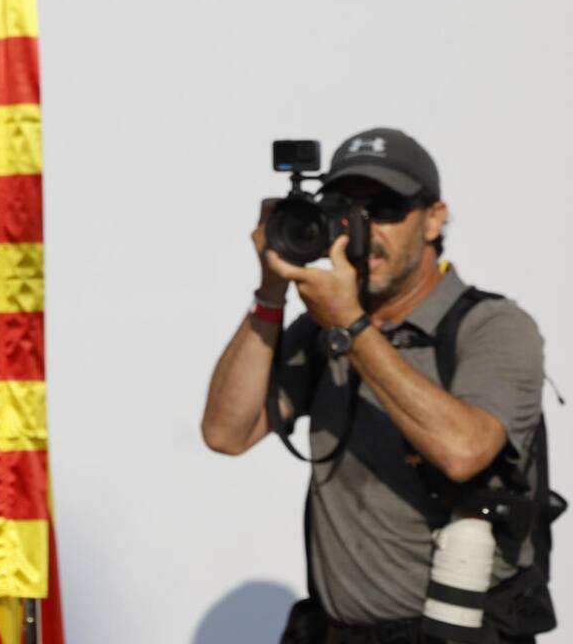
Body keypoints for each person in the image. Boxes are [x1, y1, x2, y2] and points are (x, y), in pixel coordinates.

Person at [201, 128, 552, 643]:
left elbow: (464, 451)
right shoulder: (325, 327)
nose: (363, 226)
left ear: (433, 219)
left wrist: (352, 326)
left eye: (385, 208)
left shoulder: (491, 326)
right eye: (346, 208)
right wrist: (271, 292)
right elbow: (227, 432)